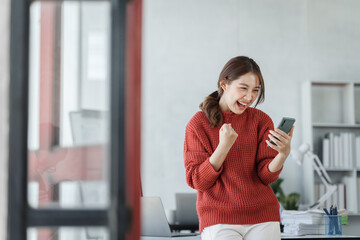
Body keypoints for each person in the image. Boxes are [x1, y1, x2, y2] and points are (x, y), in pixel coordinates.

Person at [183, 56, 294, 240]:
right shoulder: (198, 124)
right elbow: (197, 181)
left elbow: (265, 176)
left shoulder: (261, 120)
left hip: (263, 217)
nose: (249, 97)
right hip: (219, 219)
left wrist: (282, 155)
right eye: (243, 88)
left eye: (255, 91)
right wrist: (223, 147)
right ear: (224, 84)